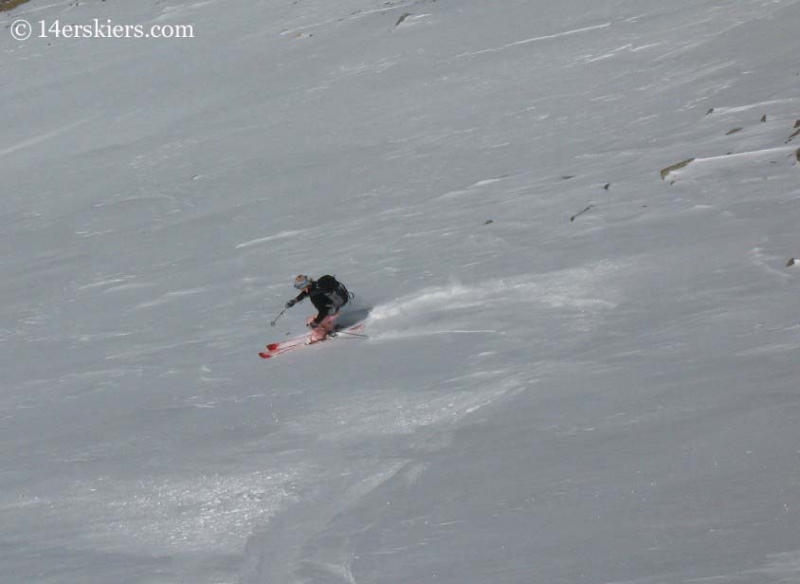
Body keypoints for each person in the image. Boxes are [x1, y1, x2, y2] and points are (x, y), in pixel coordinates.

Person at [285, 274, 351, 344]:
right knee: (319, 319)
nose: (300, 289)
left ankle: (318, 337)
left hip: (332, 311)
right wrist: (294, 301)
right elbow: (305, 293)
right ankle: (331, 328)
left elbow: (323, 311)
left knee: (311, 321)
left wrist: (315, 322)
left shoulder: (315, 296)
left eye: (299, 287)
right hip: (335, 307)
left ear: (304, 286)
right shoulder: (315, 286)